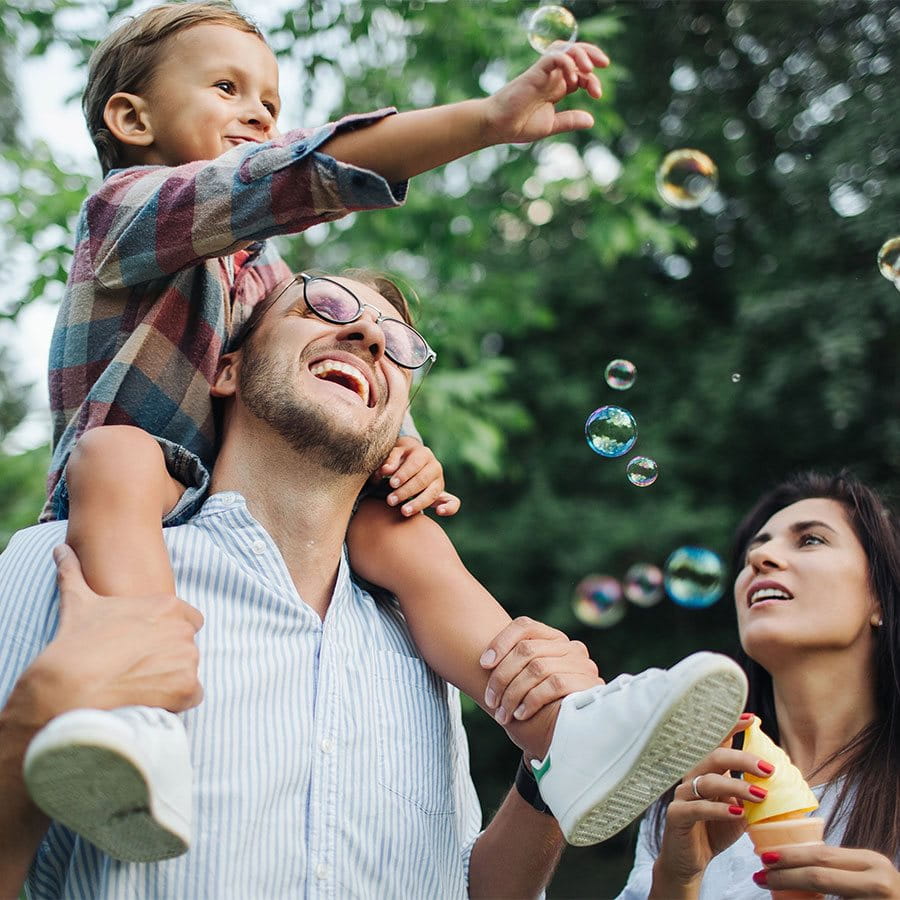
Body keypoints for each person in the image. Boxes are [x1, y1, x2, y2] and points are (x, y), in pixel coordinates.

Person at [29, 0, 613, 862]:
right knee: (117, 454)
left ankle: (570, 727)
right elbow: (282, 178)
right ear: (131, 117)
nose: (261, 113)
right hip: (127, 492)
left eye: (270, 97)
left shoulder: (269, 280)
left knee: (395, 529)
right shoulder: (127, 212)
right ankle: (139, 716)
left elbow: (325, 366)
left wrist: (404, 450)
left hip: (237, 501)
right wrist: (484, 122)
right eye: (227, 87)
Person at [3, 271, 747, 896]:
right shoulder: (70, 568)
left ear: (399, 431)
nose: (366, 337)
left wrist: (544, 777)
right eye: (322, 306)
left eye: (396, 343)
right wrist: (27, 727)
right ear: (226, 369)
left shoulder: (430, 645)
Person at [617, 470, 900, 899]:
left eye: (810, 540)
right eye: (756, 547)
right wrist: (676, 881)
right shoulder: (694, 798)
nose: (760, 559)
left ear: (879, 597)